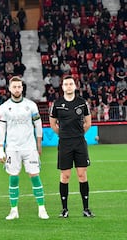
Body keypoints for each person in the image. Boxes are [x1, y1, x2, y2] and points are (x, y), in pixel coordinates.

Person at [0, 76, 49, 220]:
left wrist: (39, 144)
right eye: (14, 87)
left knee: (34, 175)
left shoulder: (31, 105)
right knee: (13, 177)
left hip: (29, 147)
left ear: (22, 88)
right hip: (12, 148)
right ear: (9, 88)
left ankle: (42, 208)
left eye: (19, 86)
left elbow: (38, 125)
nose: (17, 89)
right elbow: (2, 129)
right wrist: (1, 148)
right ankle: (14, 210)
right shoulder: (4, 108)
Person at [49, 75, 94, 218]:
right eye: (66, 84)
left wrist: (78, 134)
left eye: (71, 84)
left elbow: (88, 123)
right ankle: (64, 209)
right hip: (64, 143)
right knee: (65, 176)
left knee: (82, 175)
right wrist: (63, 135)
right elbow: (53, 124)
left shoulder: (82, 103)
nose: (69, 86)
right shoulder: (57, 103)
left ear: (75, 86)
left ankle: (86, 209)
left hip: (79, 142)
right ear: (62, 87)